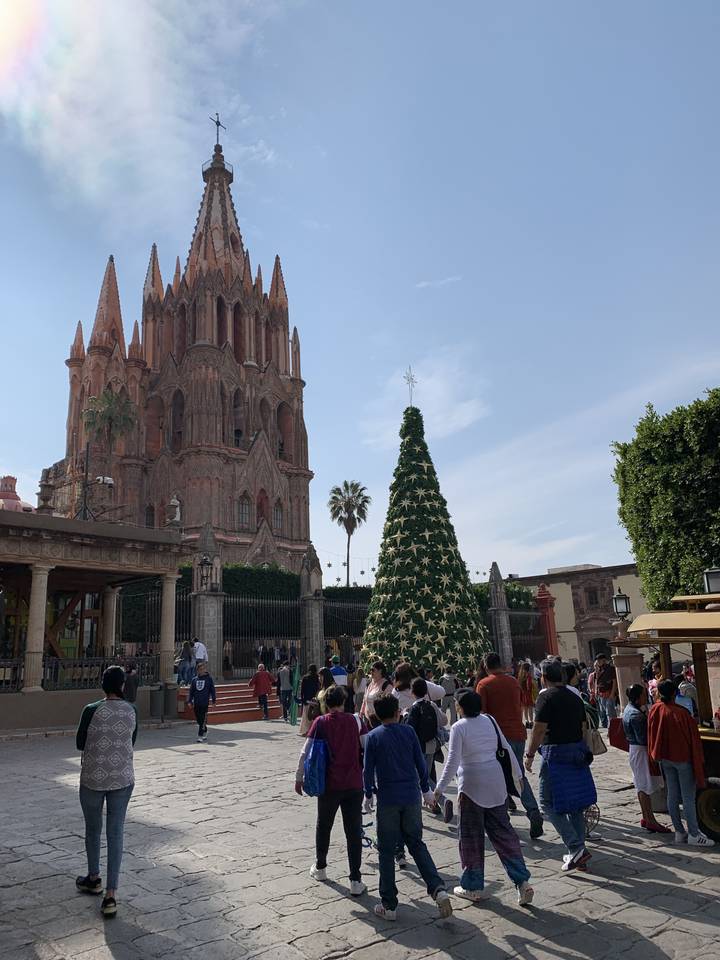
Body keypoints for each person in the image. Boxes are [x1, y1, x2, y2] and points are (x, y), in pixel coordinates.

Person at [435, 691, 533, 906]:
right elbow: (505, 748)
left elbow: (453, 760)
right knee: (504, 834)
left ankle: (472, 886)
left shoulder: (459, 727)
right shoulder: (490, 720)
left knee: (470, 837)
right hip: (495, 782)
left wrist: (439, 789)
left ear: (460, 707)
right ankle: (522, 881)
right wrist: (518, 776)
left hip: (471, 785)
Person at [363, 694, 453, 921]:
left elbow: (367, 770)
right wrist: (426, 789)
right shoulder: (408, 732)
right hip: (411, 796)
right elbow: (420, 763)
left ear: (376, 715)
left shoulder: (373, 737)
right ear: (397, 712)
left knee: (385, 849)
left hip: (387, 798)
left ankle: (389, 904)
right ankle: (437, 888)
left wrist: (367, 794)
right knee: (416, 843)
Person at [75, 665, 137, 918]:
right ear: (122, 685)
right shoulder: (132, 710)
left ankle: (93, 877)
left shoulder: (91, 710)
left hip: (92, 778)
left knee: (93, 829)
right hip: (122, 777)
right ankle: (111, 894)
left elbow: (80, 742)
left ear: (103, 684)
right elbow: (132, 740)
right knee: (116, 833)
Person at [524, 659, 596, 872]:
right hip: (576, 752)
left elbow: (538, 729)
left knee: (547, 802)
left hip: (555, 754)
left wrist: (529, 755)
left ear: (544, 678)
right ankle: (578, 852)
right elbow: (583, 727)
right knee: (574, 806)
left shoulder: (545, 697)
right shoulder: (574, 697)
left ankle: (575, 847)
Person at [295, 686, 367, 896]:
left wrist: (299, 778)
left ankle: (321, 867)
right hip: (354, 783)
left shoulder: (321, 722)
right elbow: (367, 746)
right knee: (354, 831)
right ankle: (355, 879)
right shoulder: (356, 720)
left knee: (324, 825)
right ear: (343, 701)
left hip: (330, 784)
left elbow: (305, 751)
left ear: (326, 702)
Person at [477, 652, 543, 839]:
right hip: (518, 733)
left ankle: (502, 818)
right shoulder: (513, 681)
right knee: (518, 774)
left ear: (486, 665)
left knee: (497, 776)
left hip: (497, 737)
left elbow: (481, 713)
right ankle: (533, 811)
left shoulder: (484, 684)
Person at [647, 679, 714, 845]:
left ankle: (679, 831)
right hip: (682, 759)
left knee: (673, 794)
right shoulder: (682, 713)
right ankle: (693, 833)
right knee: (688, 797)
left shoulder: (655, 709)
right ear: (675, 694)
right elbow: (694, 740)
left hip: (665, 758)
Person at [622, 683, 671, 834]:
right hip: (640, 750)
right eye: (643, 694)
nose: (646, 696)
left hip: (637, 750)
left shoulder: (632, 709)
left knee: (641, 783)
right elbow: (644, 738)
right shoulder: (635, 715)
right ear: (637, 698)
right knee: (643, 785)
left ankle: (646, 817)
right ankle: (650, 819)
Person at [406, 677, 452, 822]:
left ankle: (442, 800)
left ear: (412, 692)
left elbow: (410, 731)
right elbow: (444, 721)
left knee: (421, 779)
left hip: (418, 749)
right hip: (432, 746)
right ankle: (436, 801)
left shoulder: (413, 709)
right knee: (426, 776)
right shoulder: (431, 705)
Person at [187, 661, 216, 742]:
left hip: (204, 702)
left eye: (203, 669)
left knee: (203, 719)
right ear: (197, 670)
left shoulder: (209, 679)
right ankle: (205, 730)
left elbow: (212, 690)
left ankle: (200, 736)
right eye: (200, 669)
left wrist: (214, 700)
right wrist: (189, 701)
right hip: (197, 703)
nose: (202, 670)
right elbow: (191, 691)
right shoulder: (194, 680)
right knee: (199, 720)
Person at [361, 660, 392, 724]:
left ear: (380, 671)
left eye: (373, 670)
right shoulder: (370, 683)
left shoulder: (386, 686)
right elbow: (365, 700)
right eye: (370, 670)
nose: (371, 672)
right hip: (367, 720)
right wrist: (361, 713)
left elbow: (389, 705)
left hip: (379, 721)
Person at [594, 654, 618, 728]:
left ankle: (612, 729)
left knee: (610, 713)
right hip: (601, 694)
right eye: (597, 660)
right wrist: (596, 691)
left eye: (599, 660)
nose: (597, 662)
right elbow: (597, 681)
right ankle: (611, 727)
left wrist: (612, 693)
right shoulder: (598, 670)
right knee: (604, 711)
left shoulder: (610, 668)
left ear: (603, 660)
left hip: (609, 692)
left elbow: (614, 681)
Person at [299, 664, 320, 736]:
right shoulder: (317, 677)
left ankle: (306, 731)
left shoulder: (305, 678)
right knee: (314, 716)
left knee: (306, 716)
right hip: (315, 699)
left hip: (307, 700)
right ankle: (313, 730)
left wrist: (302, 699)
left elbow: (302, 690)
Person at [517, 661, 536, 728]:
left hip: (523, 694)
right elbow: (529, 686)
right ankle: (531, 721)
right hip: (529, 694)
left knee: (525, 709)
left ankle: (526, 721)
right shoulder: (529, 676)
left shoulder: (520, 676)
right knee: (530, 708)